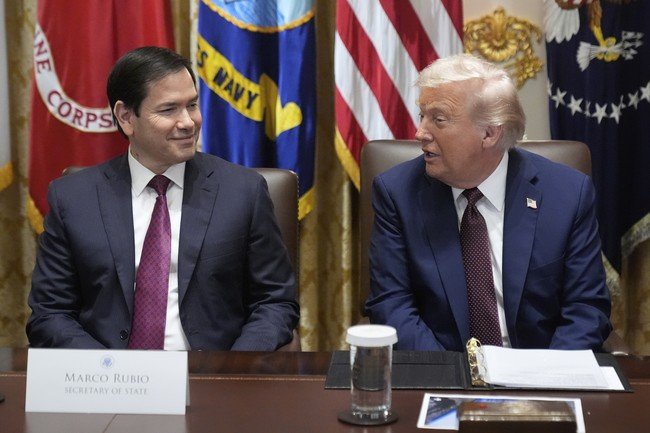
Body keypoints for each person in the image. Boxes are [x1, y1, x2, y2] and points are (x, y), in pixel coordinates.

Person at [27, 46, 299, 350]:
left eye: (192, 105)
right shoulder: (74, 199)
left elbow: (275, 302)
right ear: (126, 117)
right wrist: (107, 370)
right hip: (107, 371)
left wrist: (233, 368)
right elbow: (50, 313)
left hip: (211, 370)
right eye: (169, 110)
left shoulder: (242, 192)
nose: (188, 122)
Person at [365, 54, 611, 351]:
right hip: (444, 367)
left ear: (489, 134)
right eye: (422, 116)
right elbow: (391, 305)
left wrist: (545, 374)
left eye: (438, 119)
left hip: (539, 366)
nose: (420, 133)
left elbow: (586, 309)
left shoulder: (567, 194)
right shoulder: (398, 192)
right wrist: (453, 374)